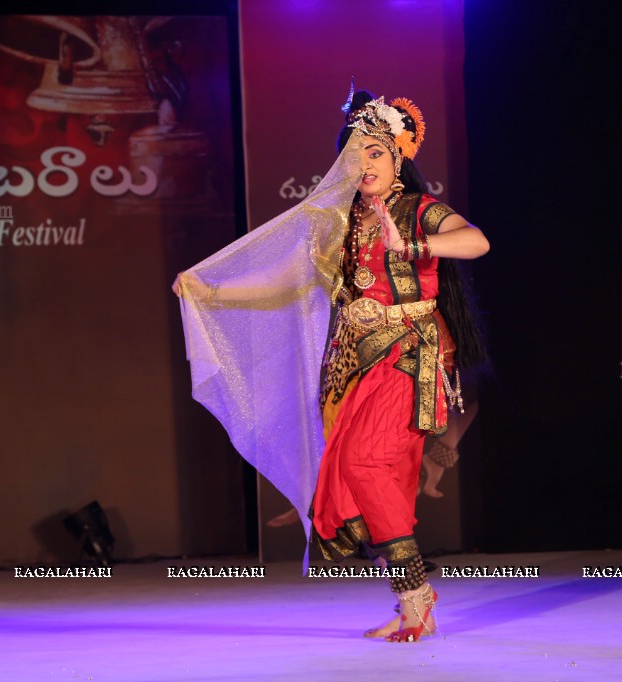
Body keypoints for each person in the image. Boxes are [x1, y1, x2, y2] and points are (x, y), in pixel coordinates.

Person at [172, 90, 489, 643]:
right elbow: (284, 281)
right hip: (357, 362)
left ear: (399, 160)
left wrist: (413, 243)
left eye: (376, 153)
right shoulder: (337, 226)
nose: (365, 164)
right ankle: (410, 600)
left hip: (411, 352)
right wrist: (211, 289)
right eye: (355, 155)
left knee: (367, 464)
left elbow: (476, 241)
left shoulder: (419, 209)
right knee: (367, 476)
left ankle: (418, 598)